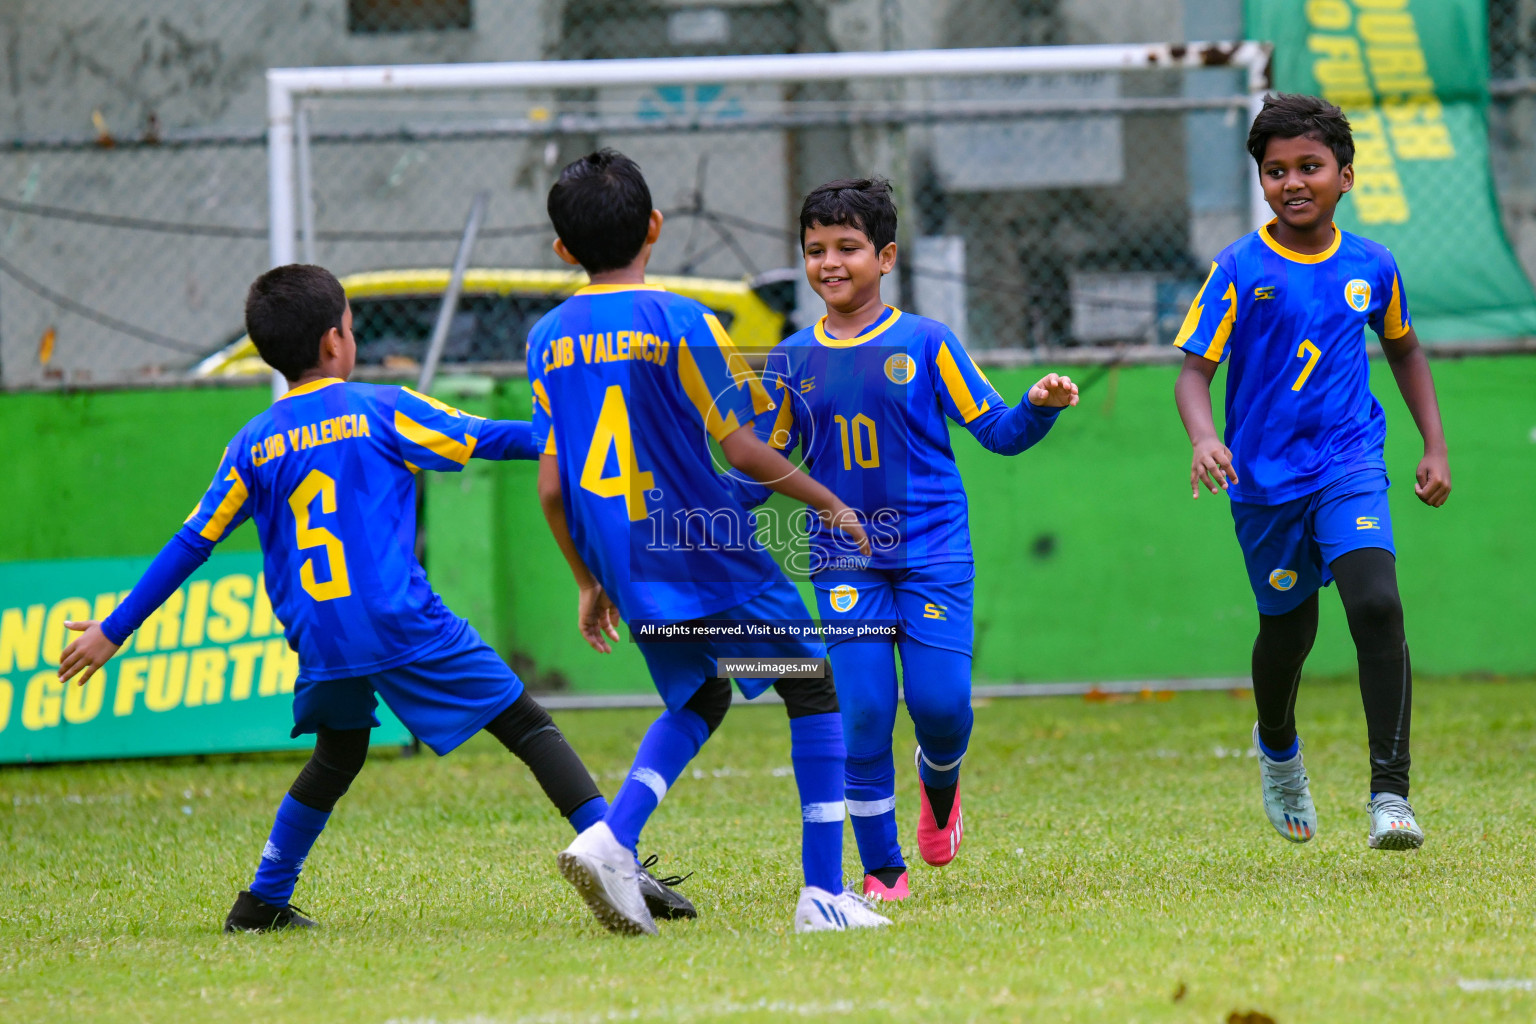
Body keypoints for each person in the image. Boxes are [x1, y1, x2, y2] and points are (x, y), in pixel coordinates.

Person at [57, 264, 689, 931]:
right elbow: (491, 438)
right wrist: (599, 432)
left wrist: (115, 629)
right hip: (399, 620)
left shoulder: (251, 446)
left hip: (320, 635)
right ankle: (618, 860)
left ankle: (261, 900)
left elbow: (192, 543)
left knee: (338, 754)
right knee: (528, 725)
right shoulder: (381, 410)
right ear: (335, 343)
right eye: (353, 328)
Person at [529, 149, 889, 936]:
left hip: (626, 566)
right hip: (704, 555)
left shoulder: (546, 339)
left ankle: (613, 839)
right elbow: (742, 446)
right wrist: (826, 499)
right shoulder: (683, 320)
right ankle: (822, 893)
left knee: (705, 690)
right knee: (810, 683)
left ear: (564, 251)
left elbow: (552, 485)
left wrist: (588, 582)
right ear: (655, 228)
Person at [732, 178, 1078, 901]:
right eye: (816, 249)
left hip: (933, 553)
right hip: (843, 559)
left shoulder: (927, 343)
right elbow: (768, 465)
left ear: (885, 256)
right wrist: (710, 504)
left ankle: (940, 783)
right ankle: (884, 870)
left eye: (848, 248)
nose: (831, 262)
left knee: (942, 706)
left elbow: (1000, 433)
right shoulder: (791, 359)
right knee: (861, 712)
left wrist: (1038, 407)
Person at [1172, 93, 1451, 850]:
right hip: (1263, 483)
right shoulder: (1239, 267)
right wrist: (1204, 439)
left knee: (1377, 605)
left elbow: (1404, 350)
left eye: (1310, 167)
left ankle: (1390, 795)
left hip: (1349, 461)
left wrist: (1434, 444)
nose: (1293, 182)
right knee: (1289, 631)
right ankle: (1278, 745)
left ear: (1345, 176)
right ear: (1261, 181)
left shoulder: (1372, 266)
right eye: (1275, 170)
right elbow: (1193, 373)